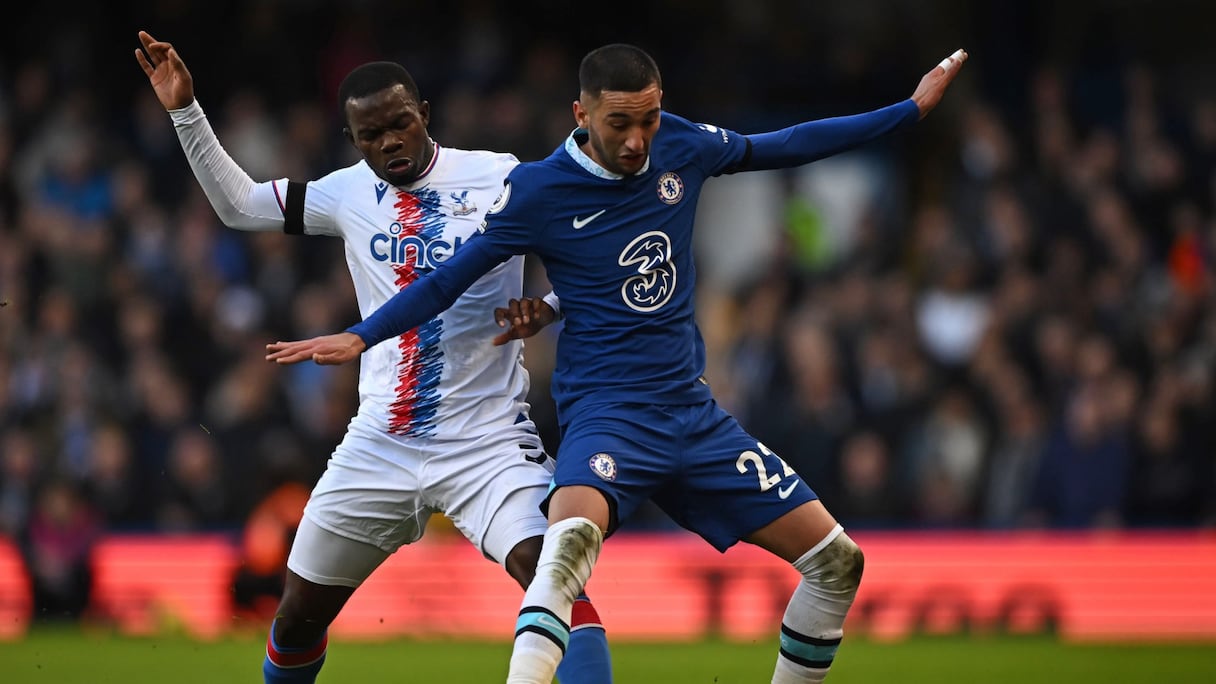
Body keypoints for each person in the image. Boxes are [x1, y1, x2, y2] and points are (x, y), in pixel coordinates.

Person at [266, 43, 968, 683]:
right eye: (620, 124)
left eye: (650, 121)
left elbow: (785, 144)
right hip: (607, 418)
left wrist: (905, 112)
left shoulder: (683, 146)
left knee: (839, 563)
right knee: (562, 558)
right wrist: (365, 335)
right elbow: (449, 279)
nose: (638, 141)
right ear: (582, 115)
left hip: (693, 416)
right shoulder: (539, 191)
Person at [134, 31, 612, 684]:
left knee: (555, 582)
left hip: (488, 441)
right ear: (353, 139)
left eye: (399, 123)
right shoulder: (346, 193)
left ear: (424, 113)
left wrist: (549, 305)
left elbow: (594, 253)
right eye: (370, 134)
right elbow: (239, 206)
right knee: (298, 614)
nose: (388, 141)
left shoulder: (502, 175)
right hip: (380, 443)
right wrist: (185, 110)